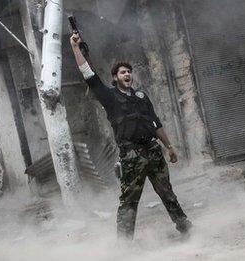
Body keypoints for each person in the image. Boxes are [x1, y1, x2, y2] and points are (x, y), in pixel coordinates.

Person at [70, 33, 192, 239]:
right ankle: (124, 245)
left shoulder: (141, 97)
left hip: (153, 151)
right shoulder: (110, 97)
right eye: (122, 72)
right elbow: (88, 74)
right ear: (115, 77)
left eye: (129, 72)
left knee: (167, 192)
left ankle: (185, 228)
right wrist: (75, 48)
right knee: (129, 202)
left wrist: (169, 146)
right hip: (131, 156)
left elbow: (156, 123)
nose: (127, 75)